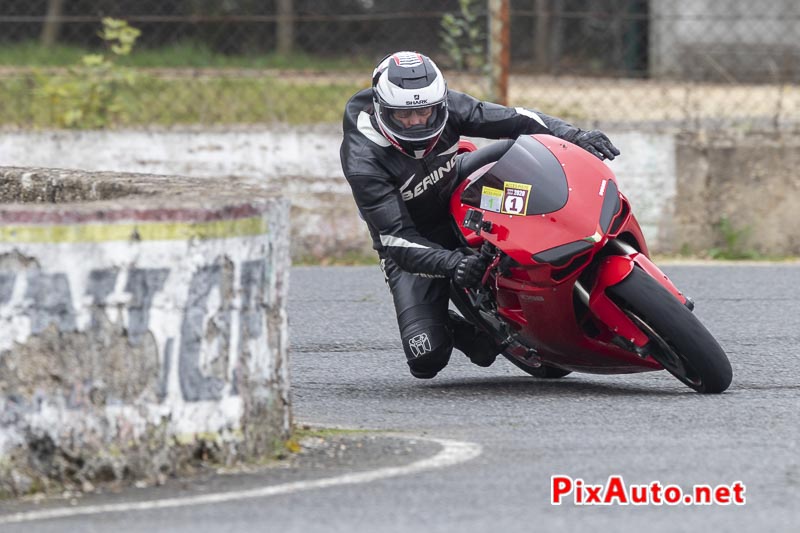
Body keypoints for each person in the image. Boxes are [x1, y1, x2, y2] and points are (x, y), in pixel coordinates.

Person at [339, 51, 619, 379]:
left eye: (425, 112)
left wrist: (573, 135)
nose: (417, 122)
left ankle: (574, 239)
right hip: (415, 237)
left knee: (522, 149)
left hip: (459, 187)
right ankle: (469, 327)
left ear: (439, 104)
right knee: (426, 357)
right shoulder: (363, 159)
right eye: (405, 116)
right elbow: (394, 239)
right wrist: (453, 263)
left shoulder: (451, 106)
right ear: (382, 110)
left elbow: (516, 118)